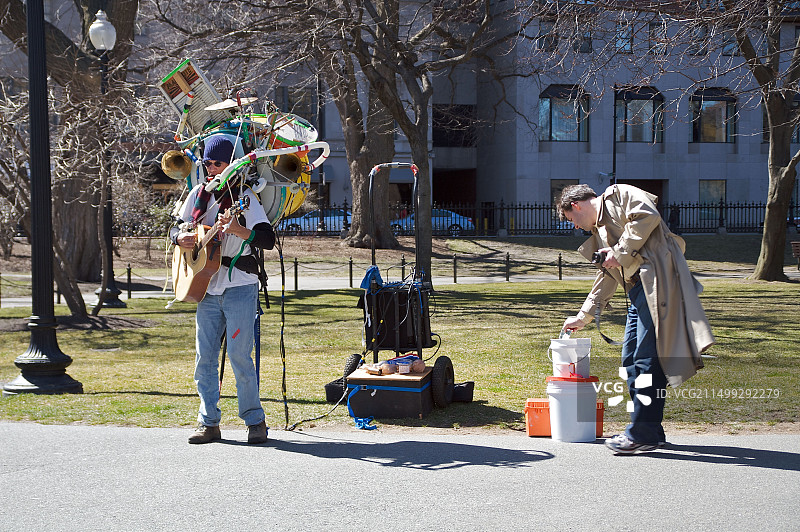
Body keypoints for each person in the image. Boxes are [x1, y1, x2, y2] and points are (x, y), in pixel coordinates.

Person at [558, 184, 714, 454]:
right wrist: (583, 317)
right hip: (640, 291)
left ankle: (641, 434)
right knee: (631, 360)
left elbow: (647, 216)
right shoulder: (601, 231)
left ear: (576, 205)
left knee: (646, 360)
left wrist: (618, 251)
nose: (576, 227)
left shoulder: (618, 194)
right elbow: (606, 275)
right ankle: (651, 431)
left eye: (572, 220)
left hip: (658, 286)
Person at [171, 136, 275, 444]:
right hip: (205, 287)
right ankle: (209, 422)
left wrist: (239, 230)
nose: (211, 168)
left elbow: (266, 239)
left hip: (240, 285)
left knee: (241, 356)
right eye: (207, 163)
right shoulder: (198, 195)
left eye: (217, 163)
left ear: (233, 164)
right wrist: (181, 239)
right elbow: (176, 227)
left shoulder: (245, 197)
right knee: (205, 356)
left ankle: (255, 421)